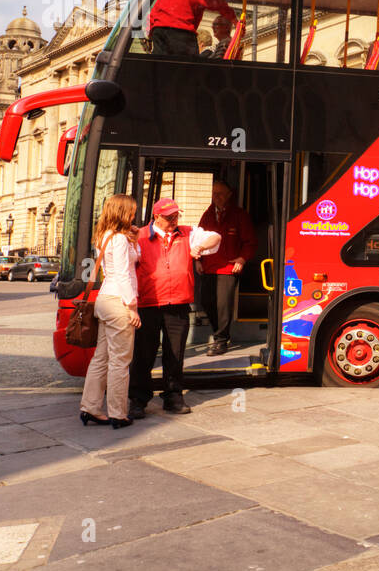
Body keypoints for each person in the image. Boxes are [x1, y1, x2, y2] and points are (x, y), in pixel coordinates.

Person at [128, 198, 200, 417]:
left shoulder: (187, 233)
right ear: (156, 216)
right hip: (148, 303)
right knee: (143, 354)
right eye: (169, 217)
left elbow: (215, 238)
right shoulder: (138, 236)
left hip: (177, 302)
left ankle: (173, 396)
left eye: (176, 216)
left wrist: (200, 246)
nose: (174, 220)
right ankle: (138, 399)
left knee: (175, 353)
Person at [80, 194, 141, 428]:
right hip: (118, 301)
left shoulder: (105, 236)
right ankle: (118, 413)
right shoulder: (120, 240)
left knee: (101, 358)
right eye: (132, 211)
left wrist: (134, 240)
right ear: (123, 212)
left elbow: (134, 260)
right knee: (120, 361)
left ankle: (90, 407)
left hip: (104, 299)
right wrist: (132, 307)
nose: (134, 214)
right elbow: (124, 275)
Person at [197, 178, 256, 356]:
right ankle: (219, 334)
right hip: (208, 267)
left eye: (221, 193)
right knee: (206, 301)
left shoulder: (239, 215)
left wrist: (242, 259)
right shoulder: (207, 215)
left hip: (228, 269)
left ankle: (221, 341)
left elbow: (250, 242)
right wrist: (197, 260)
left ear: (229, 195)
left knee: (223, 305)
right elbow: (198, 239)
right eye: (214, 193)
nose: (217, 197)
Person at [148, 0, 238, 57]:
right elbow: (219, 4)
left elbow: (153, 13)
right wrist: (235, 21)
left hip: (159, 32)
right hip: (181, 32)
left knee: (161, 64)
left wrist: (150, 35)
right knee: (191, 67)